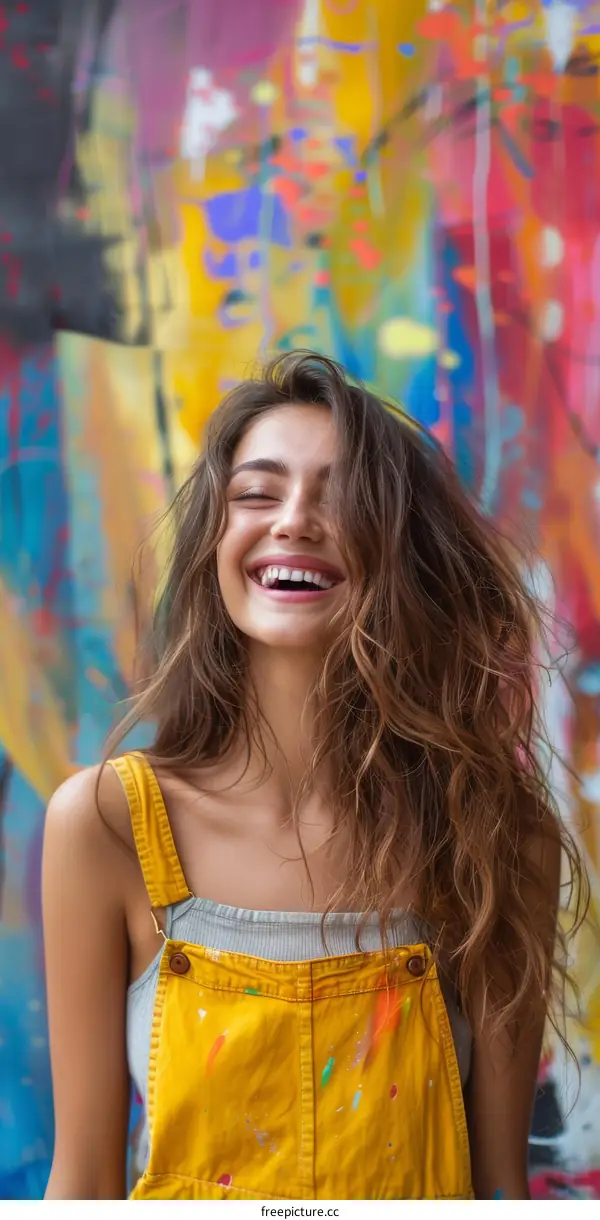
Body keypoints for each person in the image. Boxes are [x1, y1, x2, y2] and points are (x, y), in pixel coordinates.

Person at [42, 350, 584, 1201]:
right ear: (215, 542)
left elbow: (498, 1193)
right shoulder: (106, 825)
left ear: (405, 554)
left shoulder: (496, 834)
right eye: (257, 493)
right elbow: (80, 1186)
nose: (294, 520)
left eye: (343, 500)